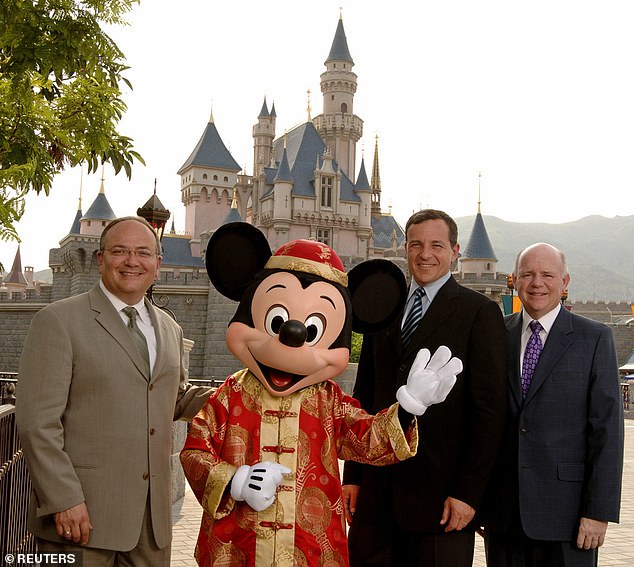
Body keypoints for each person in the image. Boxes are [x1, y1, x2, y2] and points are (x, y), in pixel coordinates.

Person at [16, 216, 212, 566]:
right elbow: (38, 424)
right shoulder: (58, 321)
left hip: (151, 527)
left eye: (143, 252)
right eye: (119, 251)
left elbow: (171, 398)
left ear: (158, 263)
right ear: (99, 259)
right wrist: (63, 499)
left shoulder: (169, 328)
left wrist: (240, 391)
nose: (131, 261)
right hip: (82, 521)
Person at [342, 208, 507, 567]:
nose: (425, 254)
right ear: (405, 249)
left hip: (441, 500)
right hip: (377, 492)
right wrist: (353, 476)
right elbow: (363, 394)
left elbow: (490, 414)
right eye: (416, 244)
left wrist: (468, 493)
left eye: (436, 245)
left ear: (455, 251)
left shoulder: (479, 313)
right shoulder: (384, 305)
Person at [483, 242, 624, 567]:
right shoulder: (493, 334)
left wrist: (598, 512)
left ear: (565, 282)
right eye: (528, 274)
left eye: (548, 275)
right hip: (504, 516)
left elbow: (608, 432)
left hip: (570, 519)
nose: (537, 283)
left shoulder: (595, 339)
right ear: (514, 280)